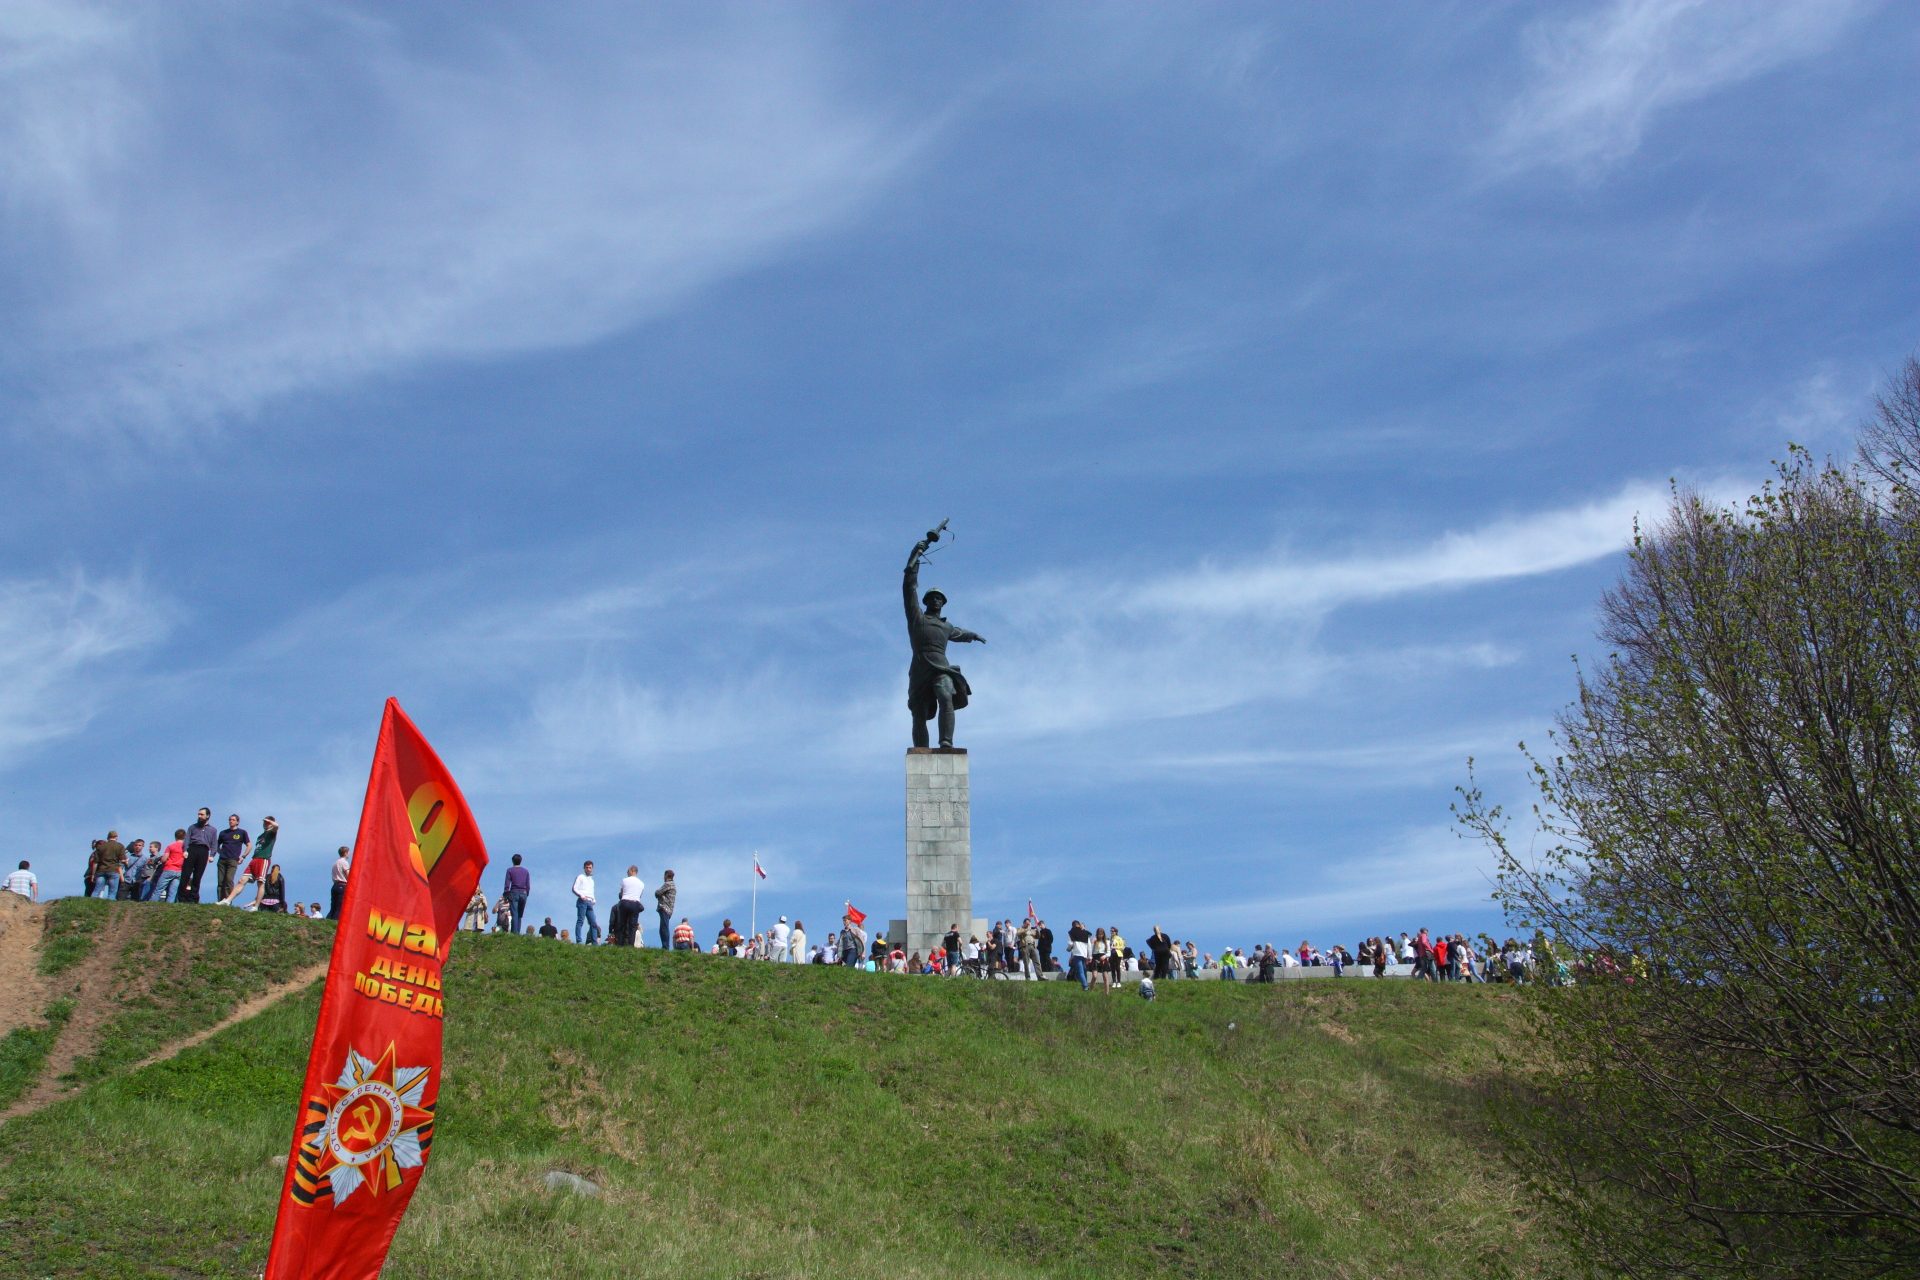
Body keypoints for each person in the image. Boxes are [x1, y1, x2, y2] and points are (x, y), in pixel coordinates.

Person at [902, 527, 987, 748]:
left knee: (945, 696)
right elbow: (909, 587)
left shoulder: (947, 626)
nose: (936, 600)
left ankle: (946, 742)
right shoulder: (916, 619)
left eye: (940, 598)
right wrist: (916, 555)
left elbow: (960, 633)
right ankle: (921, 748)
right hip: (920, 667)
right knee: (918, 711)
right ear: (926, 601)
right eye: (932, 597)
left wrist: (973, 635)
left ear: (943, 603)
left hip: (941, 666)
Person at [223, 816, 278, 906]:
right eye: (264, 822)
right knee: (242, 880)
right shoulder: (260, 836)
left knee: (260, 882)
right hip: (254, 859)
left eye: (267, 823)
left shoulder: (271, 833)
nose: (265, 824)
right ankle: (227, 901)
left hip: (263, 859)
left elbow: (276, 826)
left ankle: (256, 907)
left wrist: (269, 821)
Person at [177, 809, 216, 903]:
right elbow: (187, 840)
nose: (199, 816)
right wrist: (185, 850)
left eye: (202, 814)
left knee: (198, 876)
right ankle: (182, 898)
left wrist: (212, 855)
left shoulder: (213, 830)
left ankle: (193, 898)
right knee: (185, 874)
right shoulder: (192, 827)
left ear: (207, 816)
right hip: (192, 849)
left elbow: (214, 843)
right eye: (198, 814)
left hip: (204, 851)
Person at [213, 814, 251, 904]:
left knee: (229, 880)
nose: (231, 821)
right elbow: (216, 845)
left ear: (237, 822)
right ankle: (220, 901)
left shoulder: (242, 832)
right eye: (230, 819)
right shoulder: (223, 833)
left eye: (233, 820)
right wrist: (220, 852)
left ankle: (227, 900)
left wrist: (243, 857)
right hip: (222, 859)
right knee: (220, 881)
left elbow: (249, 846)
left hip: (233, 859)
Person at [612, 865, 645, 947]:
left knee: (622, 923)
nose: (627, 872)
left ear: (632, 871)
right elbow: (640, 895)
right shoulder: (641, 884)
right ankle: (630, 944)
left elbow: (622, 892)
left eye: (628, 871)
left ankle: (620, 944)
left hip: (625, 902)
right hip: (635, 903)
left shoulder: (625, 880)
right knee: (633, 926)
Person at [91, 831, 127, 899]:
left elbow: (95, 862)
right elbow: (122, 860)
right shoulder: (120, 846)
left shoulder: (101, 847)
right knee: (112, 893)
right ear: (116, 837)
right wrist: (126, 861)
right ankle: (109, 907)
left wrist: (93, 875)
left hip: (101, 870)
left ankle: (91, 906)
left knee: (96, 891)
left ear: (108, 837)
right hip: (113, 870)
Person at [501, 854, 531, 936]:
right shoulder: (525, 871)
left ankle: (514, 933)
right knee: (520, 914)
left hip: (514, 892)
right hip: (523, 893)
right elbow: (528, 885)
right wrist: (526, 893)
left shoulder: (510, 870)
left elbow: (507, 884)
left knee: (514, 913)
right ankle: (517, 931)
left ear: (512, 861)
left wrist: (506, 894)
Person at [572, 861, 600, 945]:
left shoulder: (591, 880)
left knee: (593, 923)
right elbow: (574, 888)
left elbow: (591, 891)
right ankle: (579, 941)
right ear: (584, 868)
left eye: (590, 867)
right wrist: (581, 896)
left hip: (589, 902)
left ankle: (594, 943)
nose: (588, 869)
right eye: (587, 867)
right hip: (583, 901)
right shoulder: (580, 877)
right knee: (581, 921)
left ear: (592, 868)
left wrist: (593, 900)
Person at [1066, 921, 1091, 990]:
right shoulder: (1085, 933)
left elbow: (1070, 944)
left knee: (1079, 971)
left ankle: (1085, 986)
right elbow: (1089, 945)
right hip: (1084, 954)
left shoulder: (1071, 933)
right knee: (1083, 970)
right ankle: (1085, 984)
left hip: (1077, 954)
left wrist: (1068, 949)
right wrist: (1089, 956)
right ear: (1079, 925)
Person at [327, 846, 351, 920]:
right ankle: (336, 921)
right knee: (339, 906)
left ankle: (329, 919)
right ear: (345, 853)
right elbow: (347, 874)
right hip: (342, 885)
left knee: (333, 906)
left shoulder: (335, 863)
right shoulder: (344, 862)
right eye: (349, 853)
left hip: (335, 885)